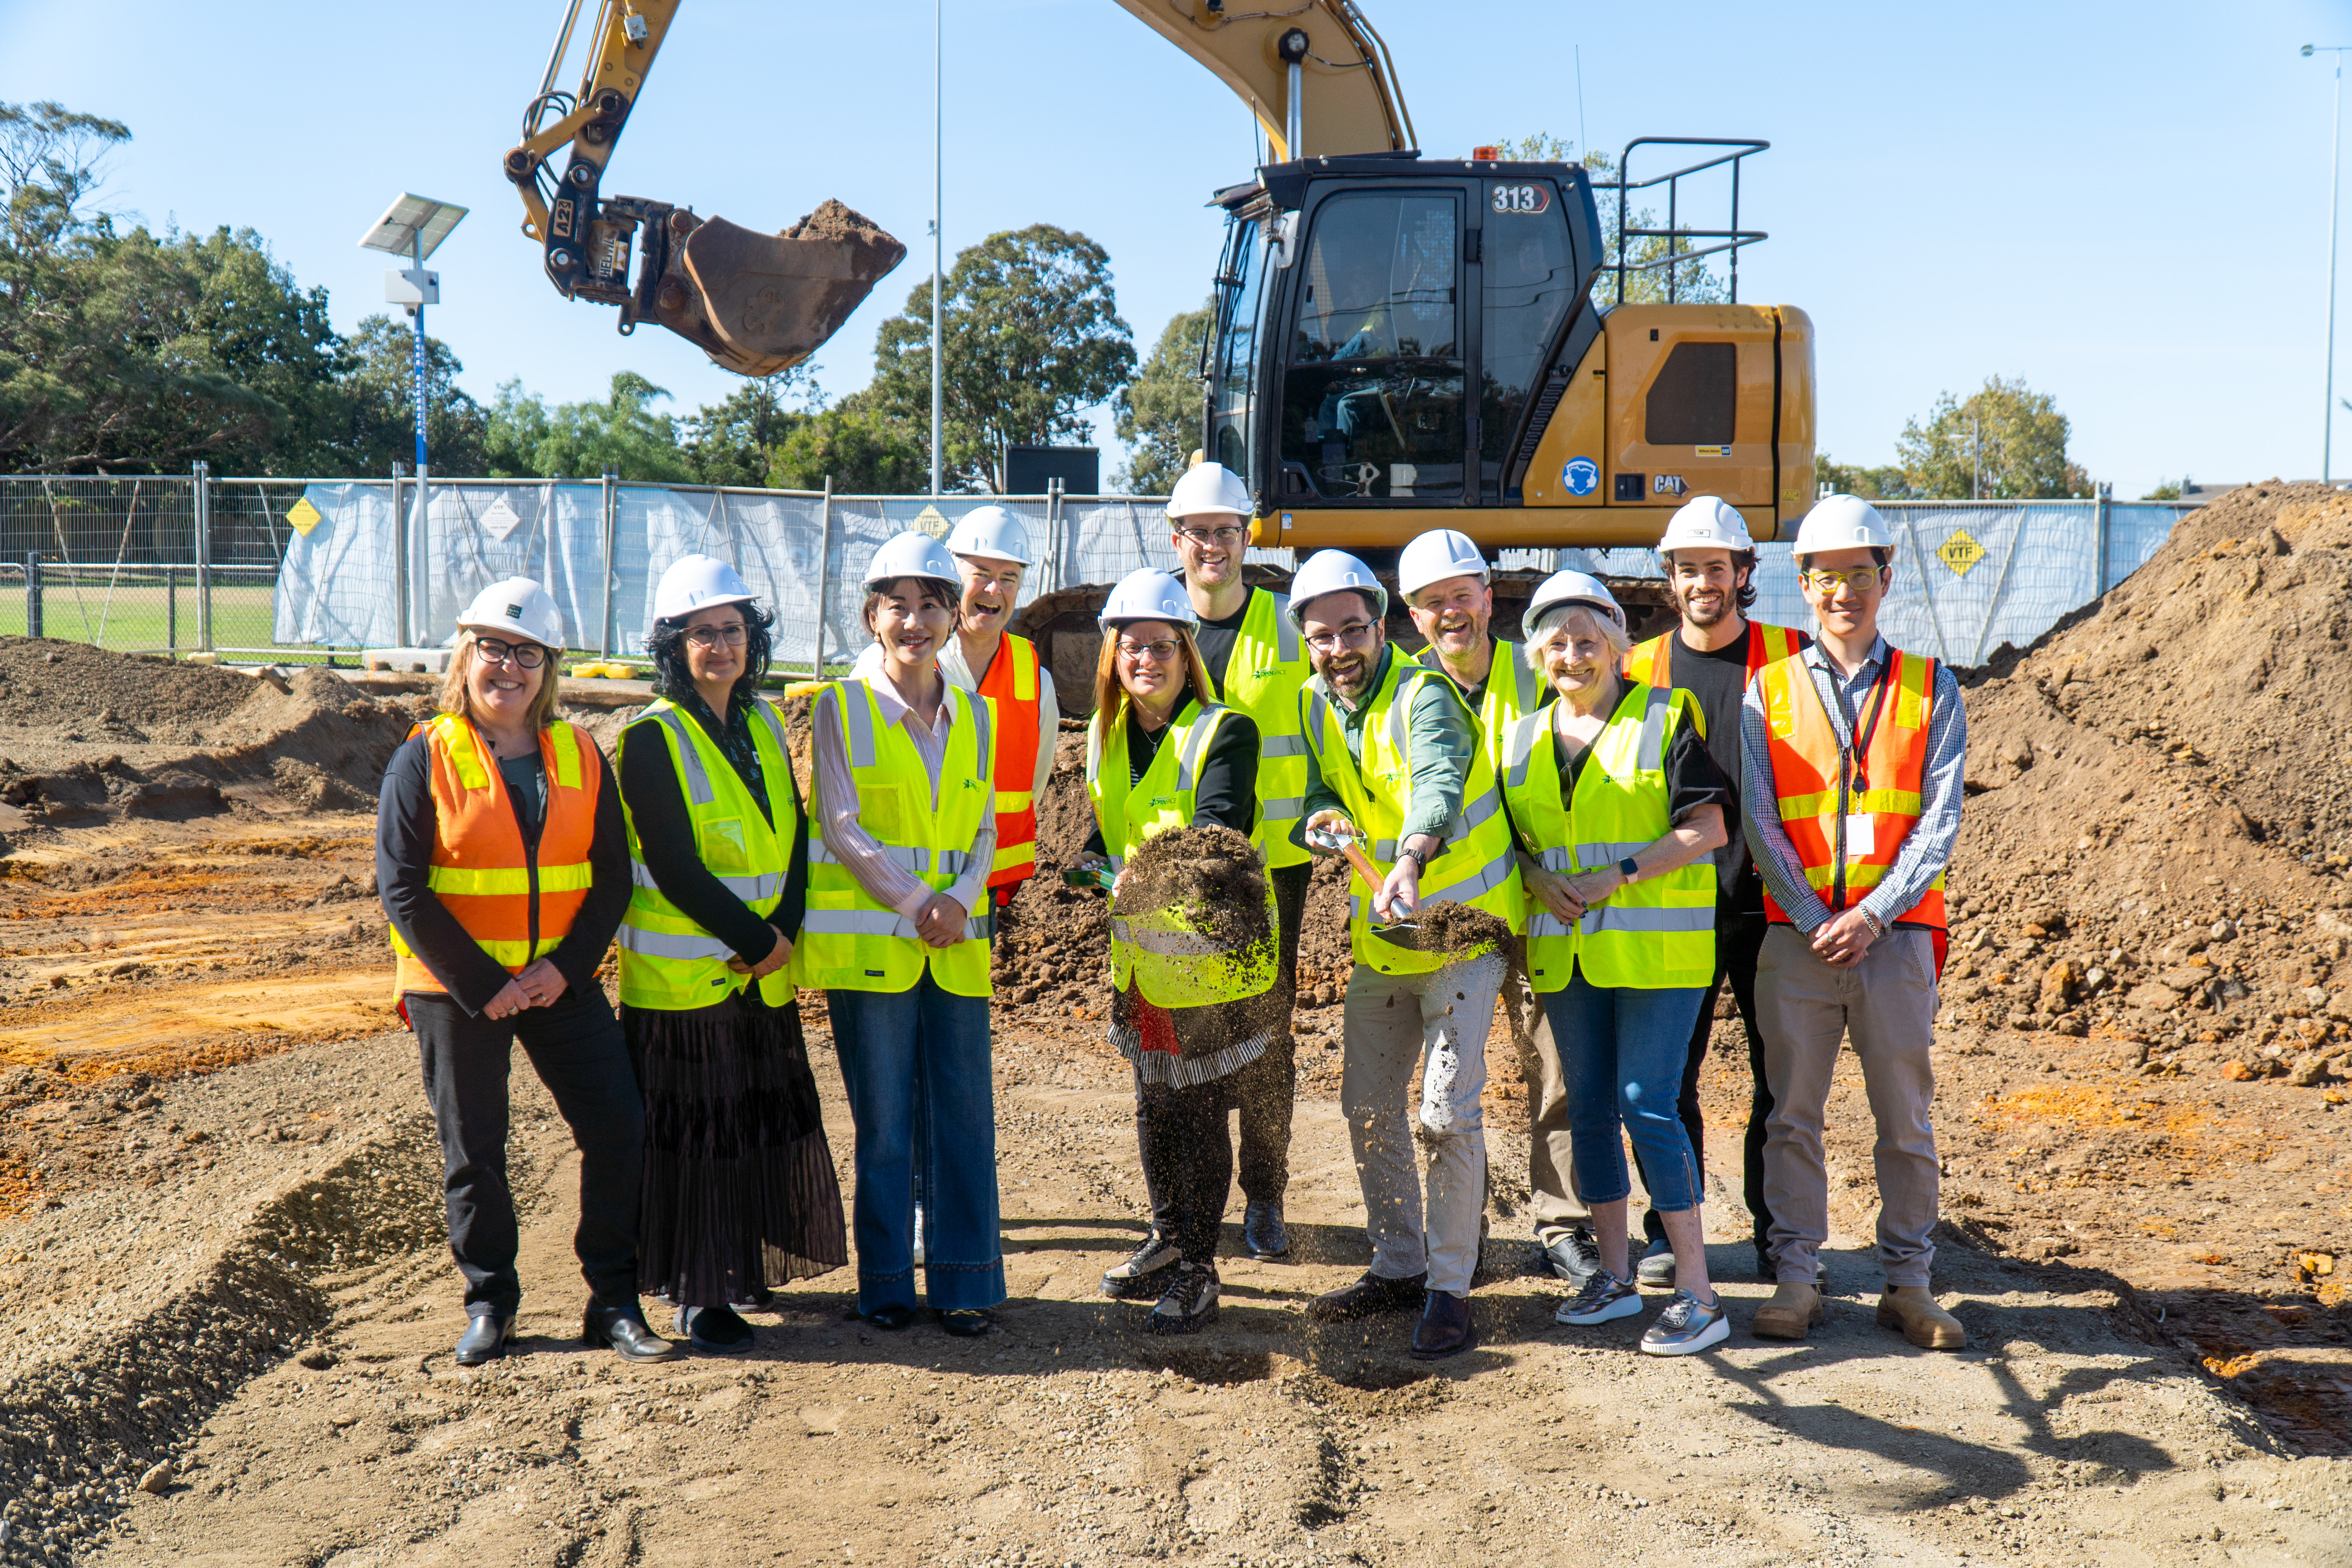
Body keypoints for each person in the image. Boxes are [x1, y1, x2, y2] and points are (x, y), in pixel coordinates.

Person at [378, 579, 675, 1366]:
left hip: (559, 984)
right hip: (459, 992)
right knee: (475, 1150)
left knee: (618, 1127)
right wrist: (489, 984)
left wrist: (564, 968)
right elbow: (403, 888)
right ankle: (491, 1301)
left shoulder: (579, 752)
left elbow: (612, 875)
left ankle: (613, 1298)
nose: (509, 666)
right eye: (494, 648)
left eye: (528, 652)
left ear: (549, 667)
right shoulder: (424, 755)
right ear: (465, 654)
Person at [1742, 495, 1968, 1349]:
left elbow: (1939, 820)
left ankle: (1909, 1282)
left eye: (1859, 574)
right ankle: (1798, 1276)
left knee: (1905, 1119)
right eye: (1826, 576)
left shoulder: (1930, 685)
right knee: (1791, 1115)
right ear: (1802, 583)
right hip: (1795, 939)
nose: (1843, 591)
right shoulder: (1767, 690)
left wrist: (1871, 914)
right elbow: (1761, 816)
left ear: (1885, 577)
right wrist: (1810, 913)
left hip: (1896, 940)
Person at [1290, 550, 1521, 1360]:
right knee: (1366, 1104)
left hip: (1462, 929)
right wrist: (1321, 818)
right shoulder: (1315, 702)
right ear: (1308, 642)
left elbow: (1437, 782)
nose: (1341, 646)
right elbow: (1326, 785)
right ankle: (1398, 1262)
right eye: (1323, 635)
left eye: (1355, 627)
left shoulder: (1426, 696)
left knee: (1444, 1113)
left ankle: (1450, 1287)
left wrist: (1411, 855)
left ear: (1382, 623)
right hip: (1384, 940)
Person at [615, 555, 845, 1354]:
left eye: (733, 630)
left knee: (750, 1129)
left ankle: (735, 1271)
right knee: (701, 1141)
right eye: (702, 632)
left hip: (757, 977)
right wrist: (760, 940)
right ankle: (697, 1293)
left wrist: (782, 924)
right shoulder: (650, 738)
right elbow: (676, 865)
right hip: (685, 985)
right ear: (673, 645)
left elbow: (792, 838)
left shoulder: (761, 725)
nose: (720, 645)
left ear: (754, 639)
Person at [1501, 572, 1732, 1355]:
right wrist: (1537, 878)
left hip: (1657, 953)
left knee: (1649, 1103)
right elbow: (1518, 848)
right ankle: (1614, 1274)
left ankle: (1699, 1291)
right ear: (1538, 654)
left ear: (1617, 647)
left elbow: (1708, 828)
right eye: (1557, 643)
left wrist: (1620, 873)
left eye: (1588, 640)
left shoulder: (1663, 715)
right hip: (1567, 954)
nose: (1573, 654)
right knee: (1590, 1105)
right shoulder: (1521, 739)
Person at [797, 531, 1005, 1337]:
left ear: (953, 619)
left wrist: (957, 898)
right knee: (884, 1125)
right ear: (871, 618)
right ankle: (884, 1281)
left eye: (929, 606)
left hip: (954, 948)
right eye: (897, 607)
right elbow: (842, 825)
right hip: (878, 950)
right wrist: (924, 900)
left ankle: (964, 1282)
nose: (914, 621)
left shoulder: (976, 715)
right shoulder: (840, 707)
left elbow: (985, 827)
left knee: (963, 1117)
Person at [1076, 569, 1277, 1334]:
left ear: (1187, 652)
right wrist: (1097, 867)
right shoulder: (1106, 732)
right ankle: (1168, 1240)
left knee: (1196, 1114)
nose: (1148, 659)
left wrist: (1128, 873)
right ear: (1114, 654)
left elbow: (1217, 837)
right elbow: (1102, 839)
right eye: (1134, 646)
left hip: (1208, 971)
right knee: (1155, 1103)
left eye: (1163, 645)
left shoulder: (1225, 730)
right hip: (1142, 967)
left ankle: (1200, 1269)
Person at [1619, 496, 1813, 1286]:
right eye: (1688, 569)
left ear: (1743, 573)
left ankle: (1781, 1237)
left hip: (1773, 905)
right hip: (1677, 904)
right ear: (1670, 578)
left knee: (1781, 1081)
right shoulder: (1638, 667)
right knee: (1670, 1078)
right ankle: (1673, 1231)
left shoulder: (1794, 655)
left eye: (1717, 568)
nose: (1703, 582)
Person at [1396, 528, 1590, 1284]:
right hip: (1454, 920)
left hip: (1542, 910)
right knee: (1451, 1077)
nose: (1451, 612)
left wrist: (1540, 872)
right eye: (1432, 602)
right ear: (1413, 616)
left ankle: (1563, 1224)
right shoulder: (1407, 689)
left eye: (1461, 595)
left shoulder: (1535, 671)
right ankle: (1460, 1232)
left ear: (1488, 594)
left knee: (1558, 1068)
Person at [1156, 461, 1314, 1274]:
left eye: (1227, 530)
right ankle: (1192, 1207)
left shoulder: (1289, 627)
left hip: (1272, 868)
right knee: (1187, 1037)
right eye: (1198, 531)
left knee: (1263, 1036)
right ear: (1175, 539)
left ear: (1247, 537)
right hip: (1176, 875)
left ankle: (1267, 1192)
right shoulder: (1154, 629)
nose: (1212, 544)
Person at [938, 505, 1058, 919]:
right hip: (912, 878)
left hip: (991, 885)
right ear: (954, 579)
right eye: (982, 574)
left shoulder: (1035, 677)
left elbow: (1035, 782)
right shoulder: (916, 660)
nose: (994, 590)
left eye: (1009, 578)